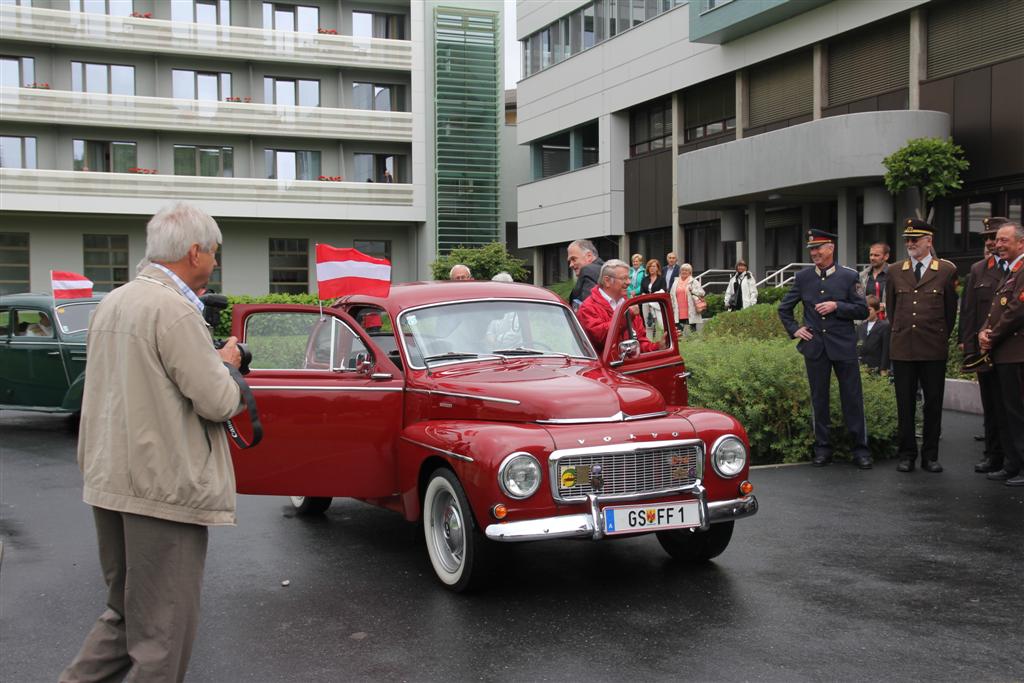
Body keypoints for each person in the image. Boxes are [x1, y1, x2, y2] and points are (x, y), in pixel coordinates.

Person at [61, 203, 243, 682]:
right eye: (214, 252)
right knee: (163, 632)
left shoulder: (115, 301)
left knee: (124, 617)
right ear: (194, 251)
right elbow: (219, 401)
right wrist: (229, 362)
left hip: (111, 479)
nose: (216, 262)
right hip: (163, 488)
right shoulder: (175, 311)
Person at [778, 229, 871, 469]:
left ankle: (860, 450)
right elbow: (784, 309)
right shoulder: (803, 278)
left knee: (852, 398)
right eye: (811, 249)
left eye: (818, 248)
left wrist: (836, 306)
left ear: (831, 248)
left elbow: (862, 310)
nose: (814, 253)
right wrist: (795, 330)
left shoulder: (849, 277)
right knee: (819, 400)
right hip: (815, 347)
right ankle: (823, 448)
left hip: (843, 346)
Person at [885, 218, 959, 474]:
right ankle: (906, 455)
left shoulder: (946, 270)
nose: (910, 244)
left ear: (929, 241)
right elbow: (892, 312)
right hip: (903, 347)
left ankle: (930, 456)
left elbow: (950, 312)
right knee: (905, 404)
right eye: (907, 240)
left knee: (933, 403)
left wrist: (938, 338)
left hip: (932, 347)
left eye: (915, 239)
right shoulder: (895, 270)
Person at [959, 217, 1010, 474]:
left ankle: (1013, 457)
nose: (990, 242)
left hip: (1010, 348)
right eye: (987, 238)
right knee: (989, 406)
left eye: (995, 237)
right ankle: (993, 454)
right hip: (984, 351)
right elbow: (968, 312)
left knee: (1011, 406)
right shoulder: (979, 269)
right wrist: (968, 348)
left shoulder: (1017, 267)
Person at [978, 221, 1024, 487]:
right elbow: (996, 308)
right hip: (1003, 353)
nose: (998, 245)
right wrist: (985, 331)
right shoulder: (1011, 271)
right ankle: (1012, 463)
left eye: (1005, 240)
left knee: (1017, 413)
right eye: (997, 240)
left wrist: (991, 336)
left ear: (1020, 242)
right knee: (1006, 413)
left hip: (1016, 354)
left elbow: (1017, 310)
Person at [577, 259, 657, 354]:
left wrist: (658, 347)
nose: (628, 282)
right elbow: (599, 338)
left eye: (629, 278)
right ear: (607, 281)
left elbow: (640, 342)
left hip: (632, 366)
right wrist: (627, 315)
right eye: (624, 278)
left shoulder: (629, 304)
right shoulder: (588, 307)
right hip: (607, 367)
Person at [857, 295, 890, 374]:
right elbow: (857, 347)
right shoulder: (860, 327)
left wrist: (883, 368)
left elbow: (886, 349)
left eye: (869, 309)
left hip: (877, 366)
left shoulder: (884, 326)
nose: (866, 312)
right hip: (862, 367)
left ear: (877, 310)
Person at [567, 239, 604, 311]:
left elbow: (588, 309)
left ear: (589, 256)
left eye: (574, 259)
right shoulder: (605, 269)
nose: (570, 265)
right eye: (570, 261)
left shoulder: (588, 270)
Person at [670, 263, 705, 333]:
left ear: (690, 272)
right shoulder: (676, 281)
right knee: (678, 331)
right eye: (682, 270)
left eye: (686, 270)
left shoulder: (693, 281)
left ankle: (693, 343)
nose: (684, 272)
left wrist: (693, 290)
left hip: (690, 310)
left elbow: (702, 293)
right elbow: (671, 295)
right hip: (678, 311)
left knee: (692, 331)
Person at [859, 243, 891, 319]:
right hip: (866, 321)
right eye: (871, 255)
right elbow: (858, 299)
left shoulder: (894, 274)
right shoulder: (862, 275)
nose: (872, 258)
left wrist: (885, 306)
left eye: (876, 255)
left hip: (887, 322)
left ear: (886, 256)